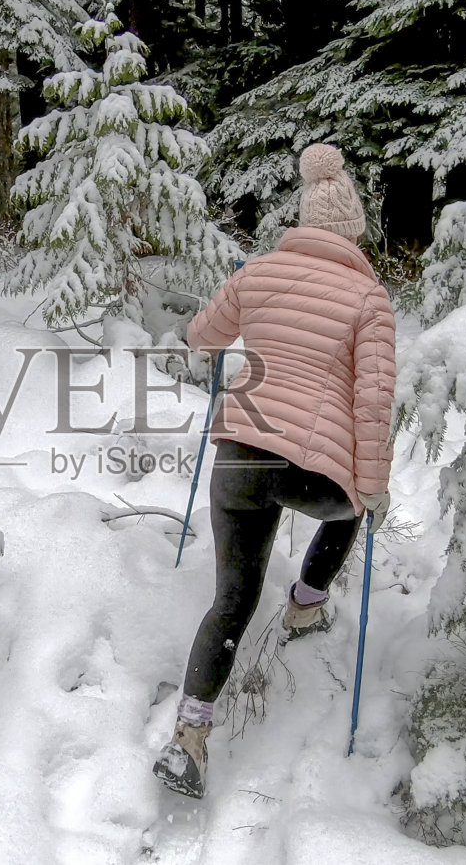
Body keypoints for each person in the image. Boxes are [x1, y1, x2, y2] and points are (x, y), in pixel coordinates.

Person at [152, 143, 398, 799]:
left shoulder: (258, 272)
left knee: (232, 598)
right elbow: (374, 398)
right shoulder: (369, 299)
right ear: (351, 233)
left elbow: (202, 336)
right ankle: (306, 606)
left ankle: (190, 738)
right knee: (351, 507)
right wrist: (371, 486)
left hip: (240, 458)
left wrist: (217, 328)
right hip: (315, 476)